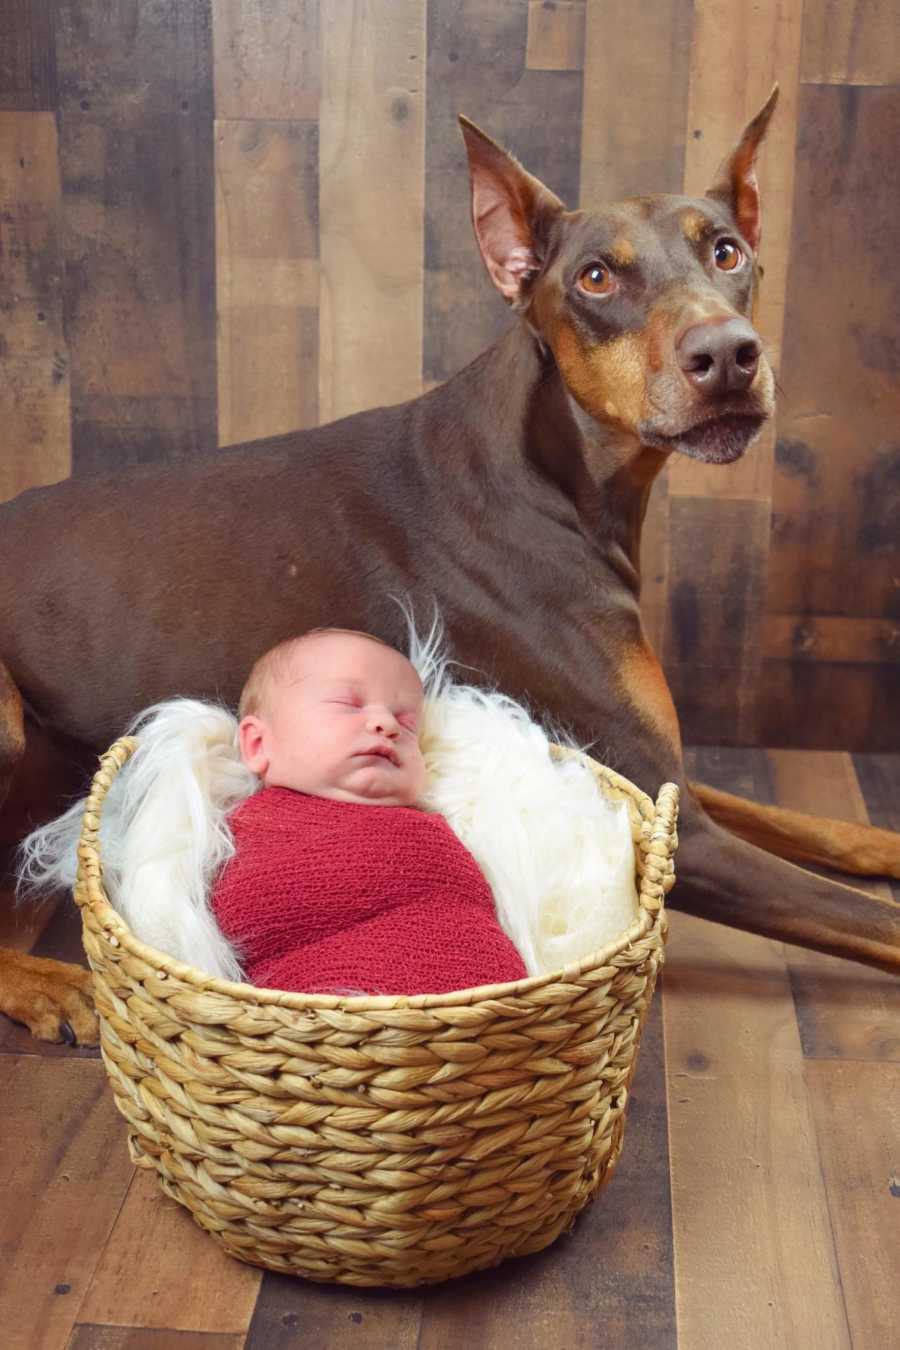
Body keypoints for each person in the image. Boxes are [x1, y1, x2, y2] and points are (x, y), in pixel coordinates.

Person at [211, 628, 528, 996]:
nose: (387, 724)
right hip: (323, 1025)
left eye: (408, 724)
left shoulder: (432, 825)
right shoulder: (244, 826)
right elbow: (244, 913)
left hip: (490, 1020)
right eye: (348, 703)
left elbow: (460, 896)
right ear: (258, 744)